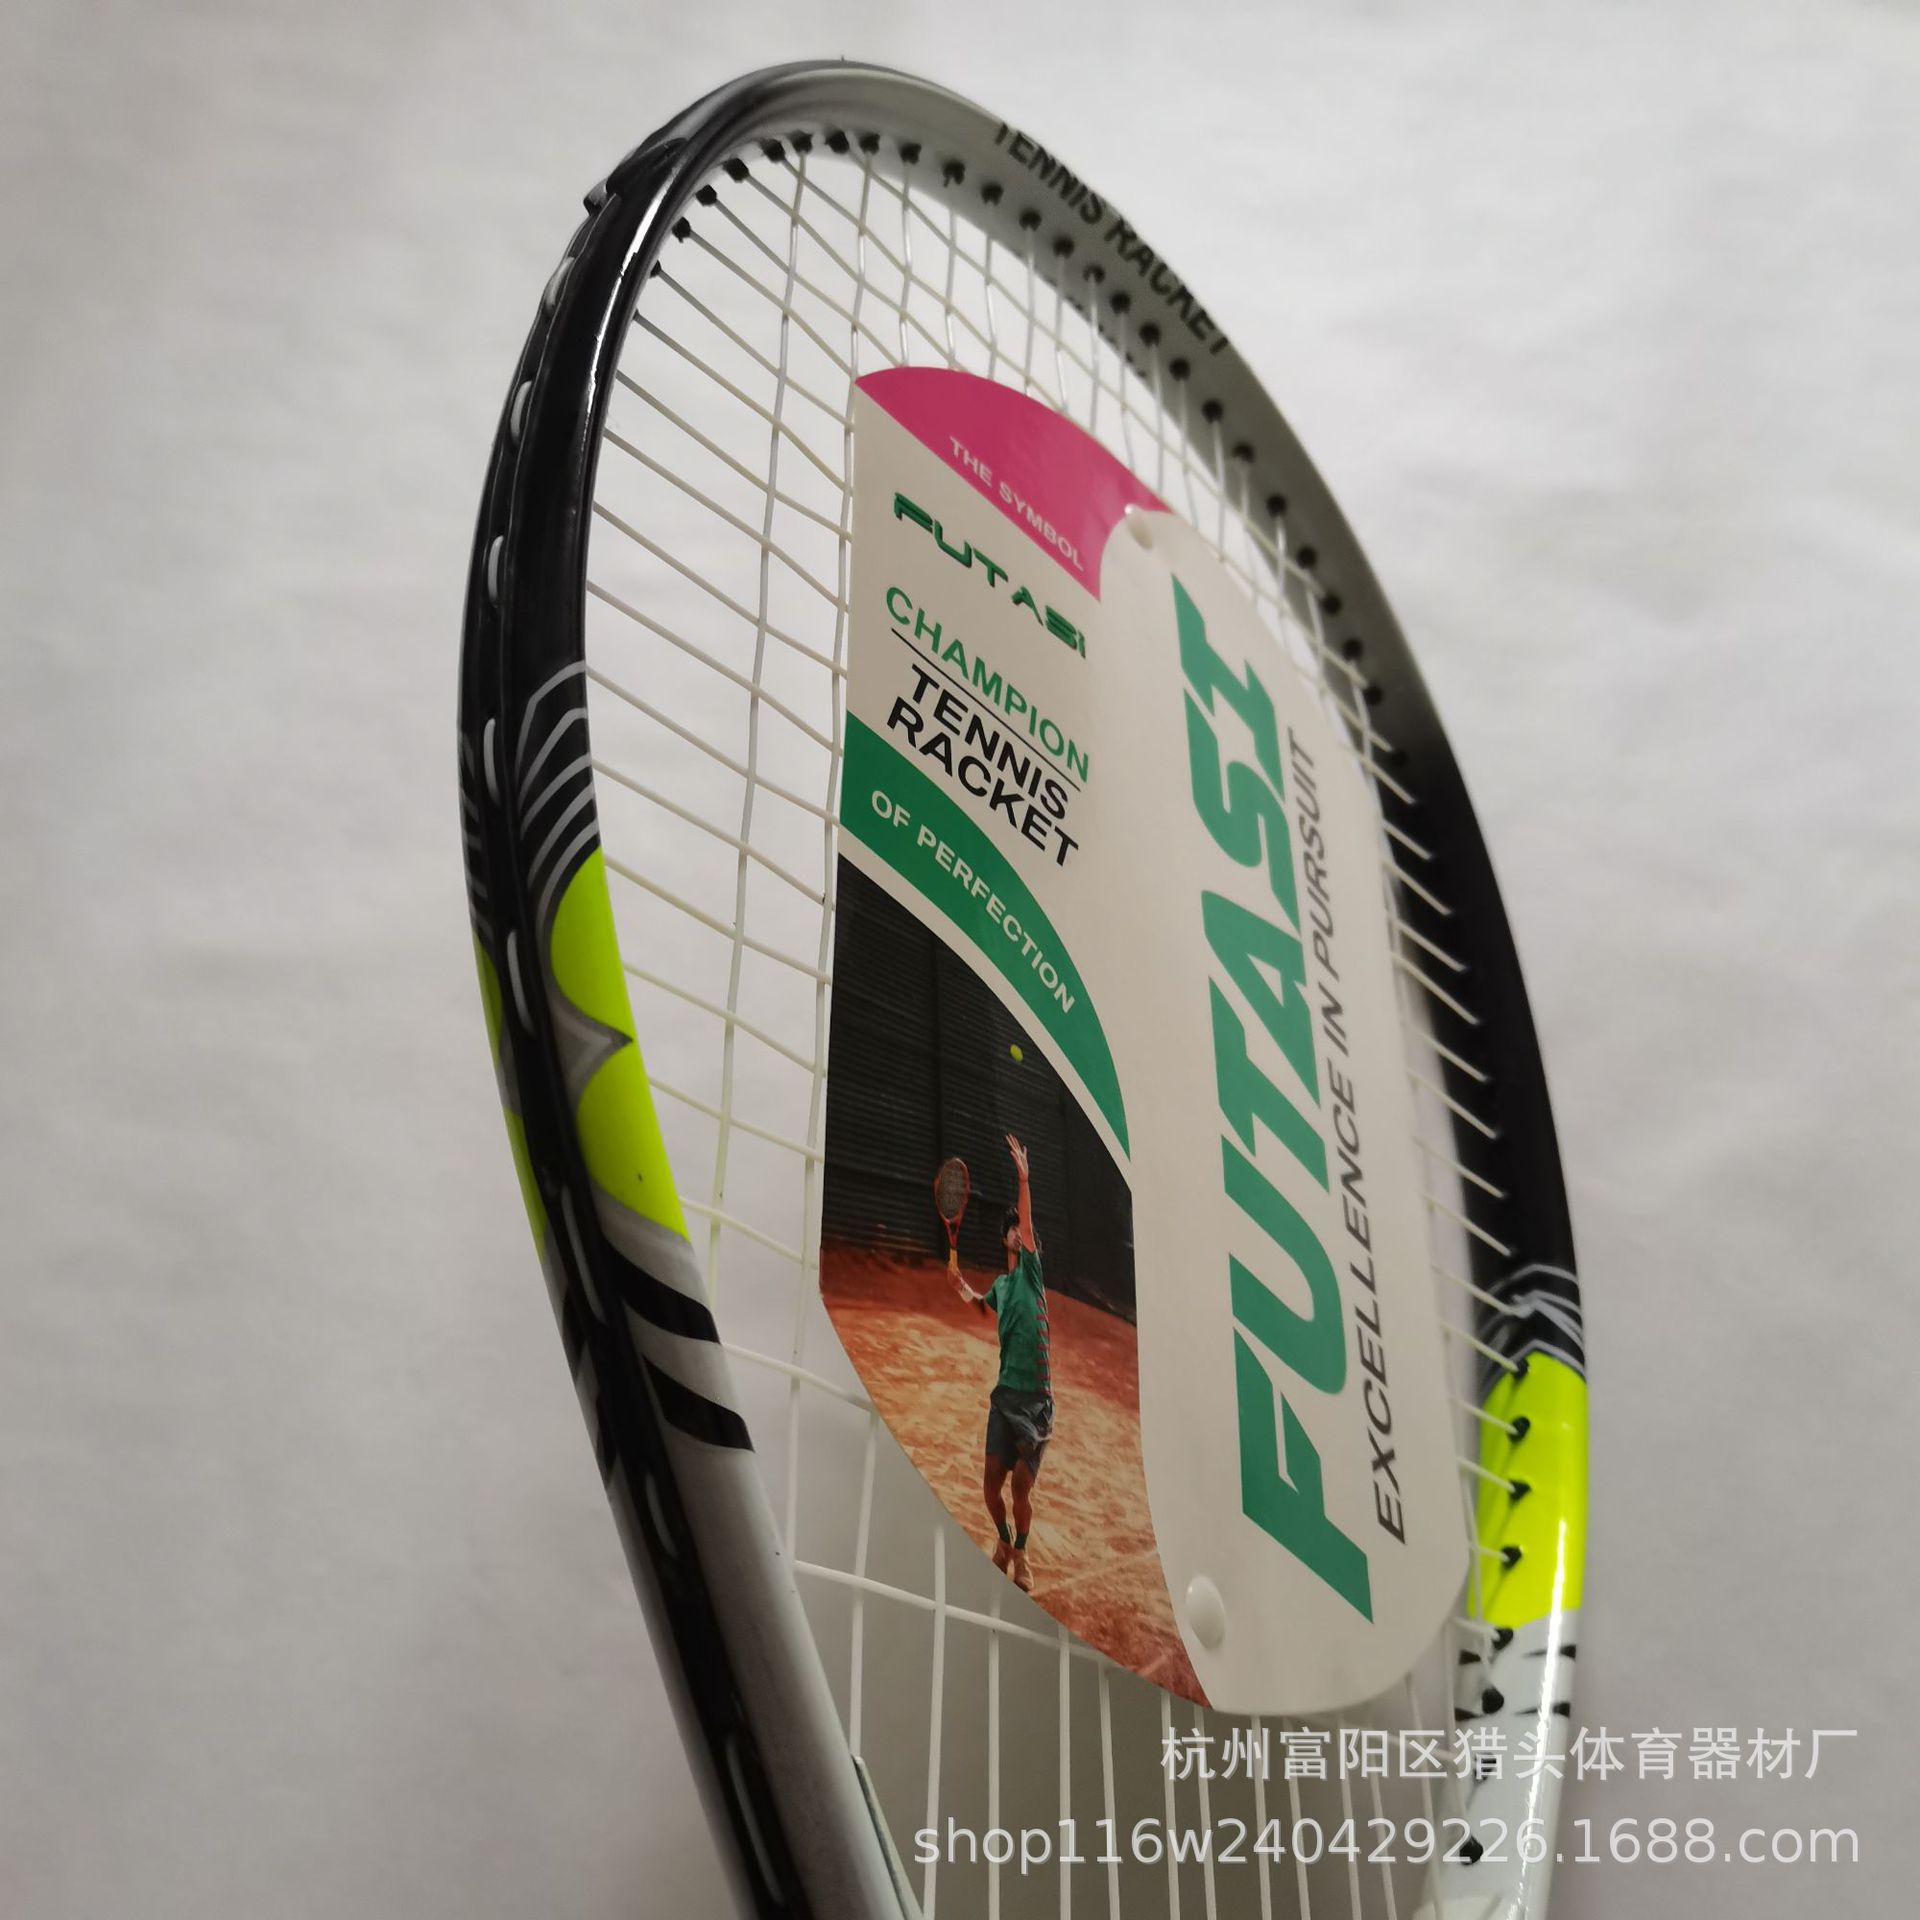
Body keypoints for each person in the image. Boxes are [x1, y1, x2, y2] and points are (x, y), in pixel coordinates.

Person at [953, 1133, 1051, 1592]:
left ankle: (1023, 1555)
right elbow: (981, 1305)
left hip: (1036, 1401)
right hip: (1005, 1395)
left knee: (1021, 1488)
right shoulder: (1003, 1285)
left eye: (1022, 1228)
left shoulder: (1032, 1272)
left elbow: (1028, 1222)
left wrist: (1024, 1180)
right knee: (991, 1485)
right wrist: (961, 1288)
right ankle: (1005, 1542)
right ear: (1003, 1238)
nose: (1018, 1231)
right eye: (1011, 1228)